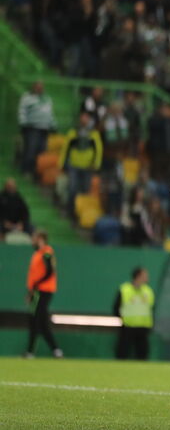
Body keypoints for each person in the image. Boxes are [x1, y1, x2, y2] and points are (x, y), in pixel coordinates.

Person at [24, 230, 62, 358]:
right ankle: (56, 350)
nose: (32, 240)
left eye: (34, 237)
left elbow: (49, 271)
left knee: (35, 319)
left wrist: (36, 285)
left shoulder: (46, 251)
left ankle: (30, 351)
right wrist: (31, 291)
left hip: (43, 290)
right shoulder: (37, 254)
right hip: (37, 291)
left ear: (40, 238)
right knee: (40, 321)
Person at [59, 110, 103, 216]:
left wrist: (96, 164)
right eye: (82, 116)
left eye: (86, 117)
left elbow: (99, 150)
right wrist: (61, 163)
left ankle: (81, 214)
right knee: (72, 188)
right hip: (73, 165)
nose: (84, 119)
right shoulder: (73, 132)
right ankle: (70, 211)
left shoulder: (94, 134)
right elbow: (65, 148)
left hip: (88, 167)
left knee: (85, 190)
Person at [113, 266, 155, 360]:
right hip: (128, 327)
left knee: (142, 355)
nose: (147, 278)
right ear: (138, 276)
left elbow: (151, 308)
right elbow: (116, 308)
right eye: (145, 275)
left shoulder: (148, 291)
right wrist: (123, 318)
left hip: (143, 328)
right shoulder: (124, 290)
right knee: (122, 353)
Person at [18, 80, 55, 177]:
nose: (40, 89)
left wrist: (53, 124)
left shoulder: (47, 98)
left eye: (41, 87)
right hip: (32, 127)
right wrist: (23, 123)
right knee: (31, 149)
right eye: (38, 87)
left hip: (45, 128)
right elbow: (22, 111)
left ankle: (37, 172)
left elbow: (50, 114)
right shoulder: (27, 98)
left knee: (42, 152)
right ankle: (26, 170)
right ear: (33, 87)